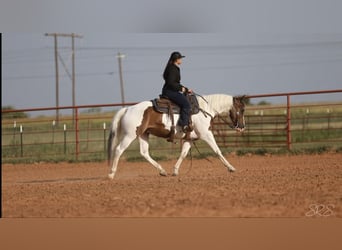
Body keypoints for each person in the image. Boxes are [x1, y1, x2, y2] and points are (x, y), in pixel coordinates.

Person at [162, 51, 193, 133]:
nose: (181, 60)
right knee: (186, 104)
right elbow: (171, 83)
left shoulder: (172, 67)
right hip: (170, 91)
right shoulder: (172, 69)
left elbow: (175, 83)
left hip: (170, 90)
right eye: (180, 58)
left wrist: (185, 88)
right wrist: (183, 89)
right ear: (176, 59)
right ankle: (183, 124)